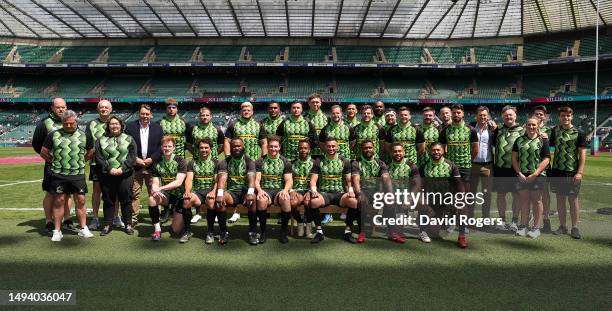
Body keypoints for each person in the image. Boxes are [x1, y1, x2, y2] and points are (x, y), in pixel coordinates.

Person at [40, 110, 94, 242]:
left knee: (81, 200)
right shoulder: (54, 134)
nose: (69, 126)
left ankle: (83, 228)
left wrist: (82, 161)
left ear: (76, 121)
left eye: (71, 123)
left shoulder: (84, 135)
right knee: (59, 201)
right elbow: (44, 152)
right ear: (62, 123)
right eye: (66, 123)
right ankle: (57, 231)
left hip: (77, 174)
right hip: (59, 174)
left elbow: (91, 151)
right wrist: (54, 162)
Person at [32, 98, 72, 234]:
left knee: (67, 194)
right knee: (50, 193)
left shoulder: (71, 122)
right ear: (52, 108)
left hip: (68, 165)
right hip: (52, 165)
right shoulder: (44, 123)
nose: (61, 109)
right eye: (58, 107)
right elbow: (37, 144)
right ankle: (49, 221)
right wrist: (48, 158)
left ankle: (67, 220)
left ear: (66, 108)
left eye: (63, 107)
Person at [224, 102, 267, 224]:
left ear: (252, 111)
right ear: (241, 111)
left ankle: (255, 212)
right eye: (244, 110)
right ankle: (236, 212)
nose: (246, 112)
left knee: (253, 187)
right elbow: (227, 141)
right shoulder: (234, 124)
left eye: (248, 110)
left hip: (253, 162)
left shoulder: (258, 125)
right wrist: (228, 156)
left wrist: (262, 158)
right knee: (235, 185)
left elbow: (264, 142)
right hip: (237, 161)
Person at [308, 138, 357, 243]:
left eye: (333, 146)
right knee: (313, 202)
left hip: (339, 193)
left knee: (353, 202)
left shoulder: (344, 161)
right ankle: (319, 232)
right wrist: (314, 190)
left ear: (337, 147)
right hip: (324, 193)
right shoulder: (318, 161)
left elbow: (348, 181)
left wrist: (351, 190)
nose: (331, 148)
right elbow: (313, 180)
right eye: (329, 146)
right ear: (325, 147)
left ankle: (348, 231)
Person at [439, 104, 477, 236]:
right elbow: (442, 150)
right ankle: (450, 221)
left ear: (463, 114)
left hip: (465, 168)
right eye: (454, 113)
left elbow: (475, 150)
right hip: (450, 169)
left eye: (458, 112)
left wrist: (467, 161)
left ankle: (463, 224)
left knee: (463, 197)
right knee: (450, 196)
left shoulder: (471, 130)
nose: (456, 115)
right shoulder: (445, 130)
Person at [94, 115, 137, 236]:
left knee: (126, 199)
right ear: (108, 126)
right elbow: (99, 157)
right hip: (107, 175)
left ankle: (128, 224)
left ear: (121, 125)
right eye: (111, 124)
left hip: (125, 175)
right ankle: (108, 224)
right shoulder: (100, 140)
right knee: (108, 199)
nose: (114, 126)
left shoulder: (129, 138)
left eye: (116, 123)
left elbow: (132, 156)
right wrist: (109, 168)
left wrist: (122, 169)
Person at [548, 105, 586, 239]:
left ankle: (575, 227)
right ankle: (563, 226)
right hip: (557, 170)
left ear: (572, 116)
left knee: (573, 200)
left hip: (572, 171)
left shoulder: (579, 132)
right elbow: (549, 148)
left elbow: (582, 154)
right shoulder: (555, 131)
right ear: (559, 117)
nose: (566, 117)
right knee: (560, 199)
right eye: (563, 115)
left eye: (568, 115)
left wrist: (579, 172)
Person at [512, 117, 550, 239]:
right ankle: (523, 226)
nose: (531, 127)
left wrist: (535, 174)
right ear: (525, 126)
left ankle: (536, 227)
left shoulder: (542, 140)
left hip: (537, 176)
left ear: (538, 126)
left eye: (534, 125)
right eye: (529, 124)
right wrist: (519, 173)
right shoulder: (519, 140)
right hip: (522, 175)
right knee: (524, 201)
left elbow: (546, 159)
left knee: (537, 201)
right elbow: (514, 158)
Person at [420, 143, 465, 247]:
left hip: (447, 198)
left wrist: (461, 198)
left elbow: (459, 183)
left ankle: (461, 236)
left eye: (438, 150)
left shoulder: (451, 165)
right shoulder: (424, 166)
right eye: (433, 150)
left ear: (443, 151)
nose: (436, 152)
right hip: (432, 200)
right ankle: (423, 231)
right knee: (435, 232)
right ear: (429, 151)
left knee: (463, 207)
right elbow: (420, 185)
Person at [185, 107, 225, 224]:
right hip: (197, 161)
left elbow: (222, 145)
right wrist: (197, 154)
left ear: (211, 116)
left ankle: (215, 210)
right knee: (198, 185)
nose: (205, 117)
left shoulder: (217, 129)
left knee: (214, 184)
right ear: (199, 116)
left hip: (212, 162)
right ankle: (198, 213)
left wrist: (213, 155)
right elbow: (188, 144)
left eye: (207, 115)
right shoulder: (193, 128)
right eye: (203, 115)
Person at [125, 104, 163, 225]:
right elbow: (126, 146)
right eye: (142, 114)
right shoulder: (130, 127)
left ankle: (155, 216)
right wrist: (136, 159)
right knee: (135, 193)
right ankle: (133, 217)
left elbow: (161, 148)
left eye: (147, 114)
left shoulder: (158, 128)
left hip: (152, 167)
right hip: (136, 166)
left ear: (151, 115)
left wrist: (151, 159)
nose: (145, 116)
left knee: (155, 192)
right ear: (138, 114)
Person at [215, 138, 257, 244]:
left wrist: (251, 192)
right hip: (232, 192)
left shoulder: (249, 161)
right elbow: (222, 179)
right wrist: (220, 194)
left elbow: (251, 178)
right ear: (231, 148)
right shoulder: (225, 162)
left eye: (239, 146)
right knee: (220, 201)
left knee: (253, 200)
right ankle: (224, 232)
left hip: (245, 192)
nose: (237, 148)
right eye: (234, 146)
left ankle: (252, 232)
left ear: (243, 147)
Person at [351, 140, 393, 244]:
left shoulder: (380, 162)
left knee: (390, 201)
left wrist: (389, 193)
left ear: (373, 148)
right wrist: (359, 193)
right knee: (361, 201)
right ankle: (362, 231)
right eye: (366, 148)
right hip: (363, 191)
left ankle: (392, 231)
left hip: (377, 191)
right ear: (362, 149)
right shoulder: (357, 162)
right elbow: (356, 180)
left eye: (370, 147)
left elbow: (386, 178)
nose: (368, 150)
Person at [179, 139, 220, 244]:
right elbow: (189, 179)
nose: (204, 150)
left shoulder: (216, 163)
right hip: (197, 192)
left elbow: (217, 181)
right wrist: (187, 191)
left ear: (211, 149)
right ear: (197, 149)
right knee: (187, 200)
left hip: (210, 192)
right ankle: (187, 231)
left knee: (211, 201)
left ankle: (210, 232)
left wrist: (214, 191)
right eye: (201, 148)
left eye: (206, 148)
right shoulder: (193, 163)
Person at [148, 136, 188, 241]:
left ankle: (180, 213)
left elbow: (178, 182)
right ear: (161, 147)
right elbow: (155, 181)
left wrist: (160, 188)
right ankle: (157, 229)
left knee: (176, 230)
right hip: (166, 195)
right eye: (164, 146)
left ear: (174, 147)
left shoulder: (180, 161)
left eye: (169, 146)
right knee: (152, 199)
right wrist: (155, 188)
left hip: (180, 196)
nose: (167, 148)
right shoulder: (157, 162)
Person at [254, 136, 293, 243]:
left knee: (286, 200)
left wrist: (285, 190)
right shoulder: (260, 161)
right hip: (265, 189)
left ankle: (283, 232)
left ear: (279, 147)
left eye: (275, 146)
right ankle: (263, 232)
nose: (273, 149)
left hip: (279, 190)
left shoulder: (285, 161)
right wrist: (260, 191)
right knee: (261, 200)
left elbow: (289, 180)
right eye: (271, 146)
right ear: (267, 147)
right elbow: (256, 180)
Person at [492, 105, 524, 231]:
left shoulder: (522, 131)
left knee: (517, 195)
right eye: (505, 115)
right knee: (500, 195)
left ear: (515, 116)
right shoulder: (498, 130)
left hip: (515, 169)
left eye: (510, 115)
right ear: (502, 116)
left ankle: (514, 222)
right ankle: (502, 221)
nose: (508, 117)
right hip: (500, 168)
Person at [387, 143, 422, 243]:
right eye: (395, 151)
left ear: (404, 152)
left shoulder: (411, 166)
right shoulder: (387, 167)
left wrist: (409, 198)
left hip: (407, 197)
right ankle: (392, 230)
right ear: (391, 153)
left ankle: (423, 231)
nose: (397, 153)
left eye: (399, 151)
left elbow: (417, 184)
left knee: (424, 203)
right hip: (393, 198)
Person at [86, 100, 113, 230]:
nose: (103, 109)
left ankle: (116, 217)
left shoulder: (115, 122)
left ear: (111, 109)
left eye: (106, 107)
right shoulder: (91, 124)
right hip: (96, 163)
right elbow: (87, 143)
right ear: (98, 109)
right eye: (101, 107)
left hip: (114, 163)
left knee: (115, 191)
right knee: (96, 191)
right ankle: (95, 218)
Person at [469, 106, 496, 221]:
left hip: (487, 166)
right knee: (471, 194)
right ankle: (469, 218)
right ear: (476, 116)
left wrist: (496, 129)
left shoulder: (492, 129)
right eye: (480, 115)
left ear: (488, 116)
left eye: (485, 115)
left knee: (486, 194)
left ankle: (485, 218)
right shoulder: (470, 127)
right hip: (473, 165)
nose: (482, 117)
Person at [532, 105, 553, 233]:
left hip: (544, 166)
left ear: (544, 116)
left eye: (541, 114)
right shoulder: (528, 127)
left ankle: (546, 218)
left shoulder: (549, 130)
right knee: (530, 194)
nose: (539, 116)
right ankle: (530, 218)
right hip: (529, 166)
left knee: (545, 193)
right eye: (537, 114)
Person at [290, 140, 314, 238]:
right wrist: (291, 190)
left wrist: (310, 191)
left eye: (305, 148)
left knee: (309, 202)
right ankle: (300, 222)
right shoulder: (292, 163)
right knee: (292, 203)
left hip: (311, 189)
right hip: (297, 190)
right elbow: (288, 180)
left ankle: (308, 224)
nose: (303, 150)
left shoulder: (314, 163)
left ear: (309, 150)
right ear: (298, 149)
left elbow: (317, 181)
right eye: (300, 148)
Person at [304, 93, 329, 159]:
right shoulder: (303, 118)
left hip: (323, 152)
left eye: (317, 102)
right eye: (313, 102)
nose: (315, 104)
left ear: (321, 103)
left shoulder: (327, 118)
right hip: (307, 153)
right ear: (309, 103)